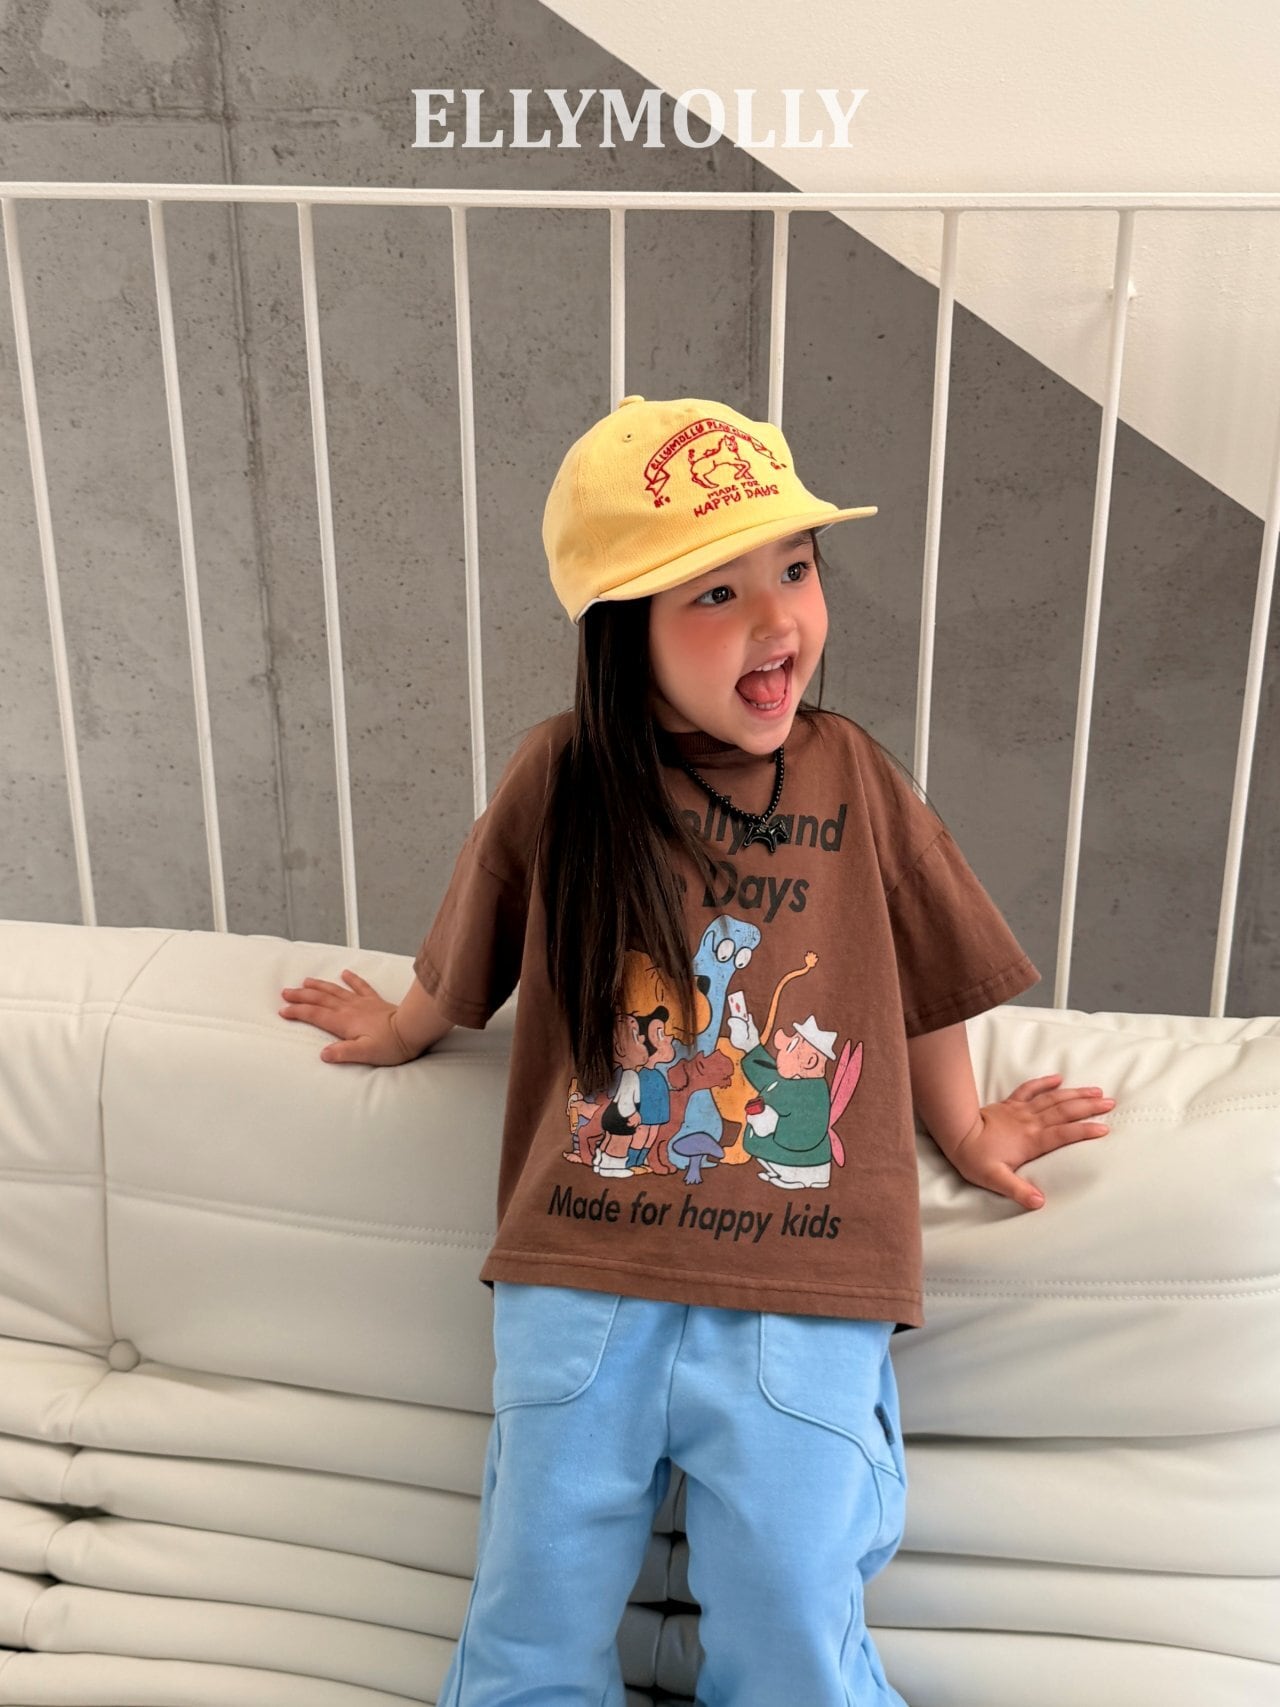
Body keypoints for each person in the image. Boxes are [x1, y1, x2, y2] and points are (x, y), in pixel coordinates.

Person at [279, 395, 1116, 1706]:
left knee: (792, 1615)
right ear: (626, 629)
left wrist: (964, 1129)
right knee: (532, 1612)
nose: (780, 618)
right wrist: (398, 1028)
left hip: (809, 1280)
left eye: (796, 568)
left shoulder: (854, 776)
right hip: (581, 1270)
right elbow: (472, 943)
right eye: (717, 593)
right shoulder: (562, 777)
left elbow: (926, 969)